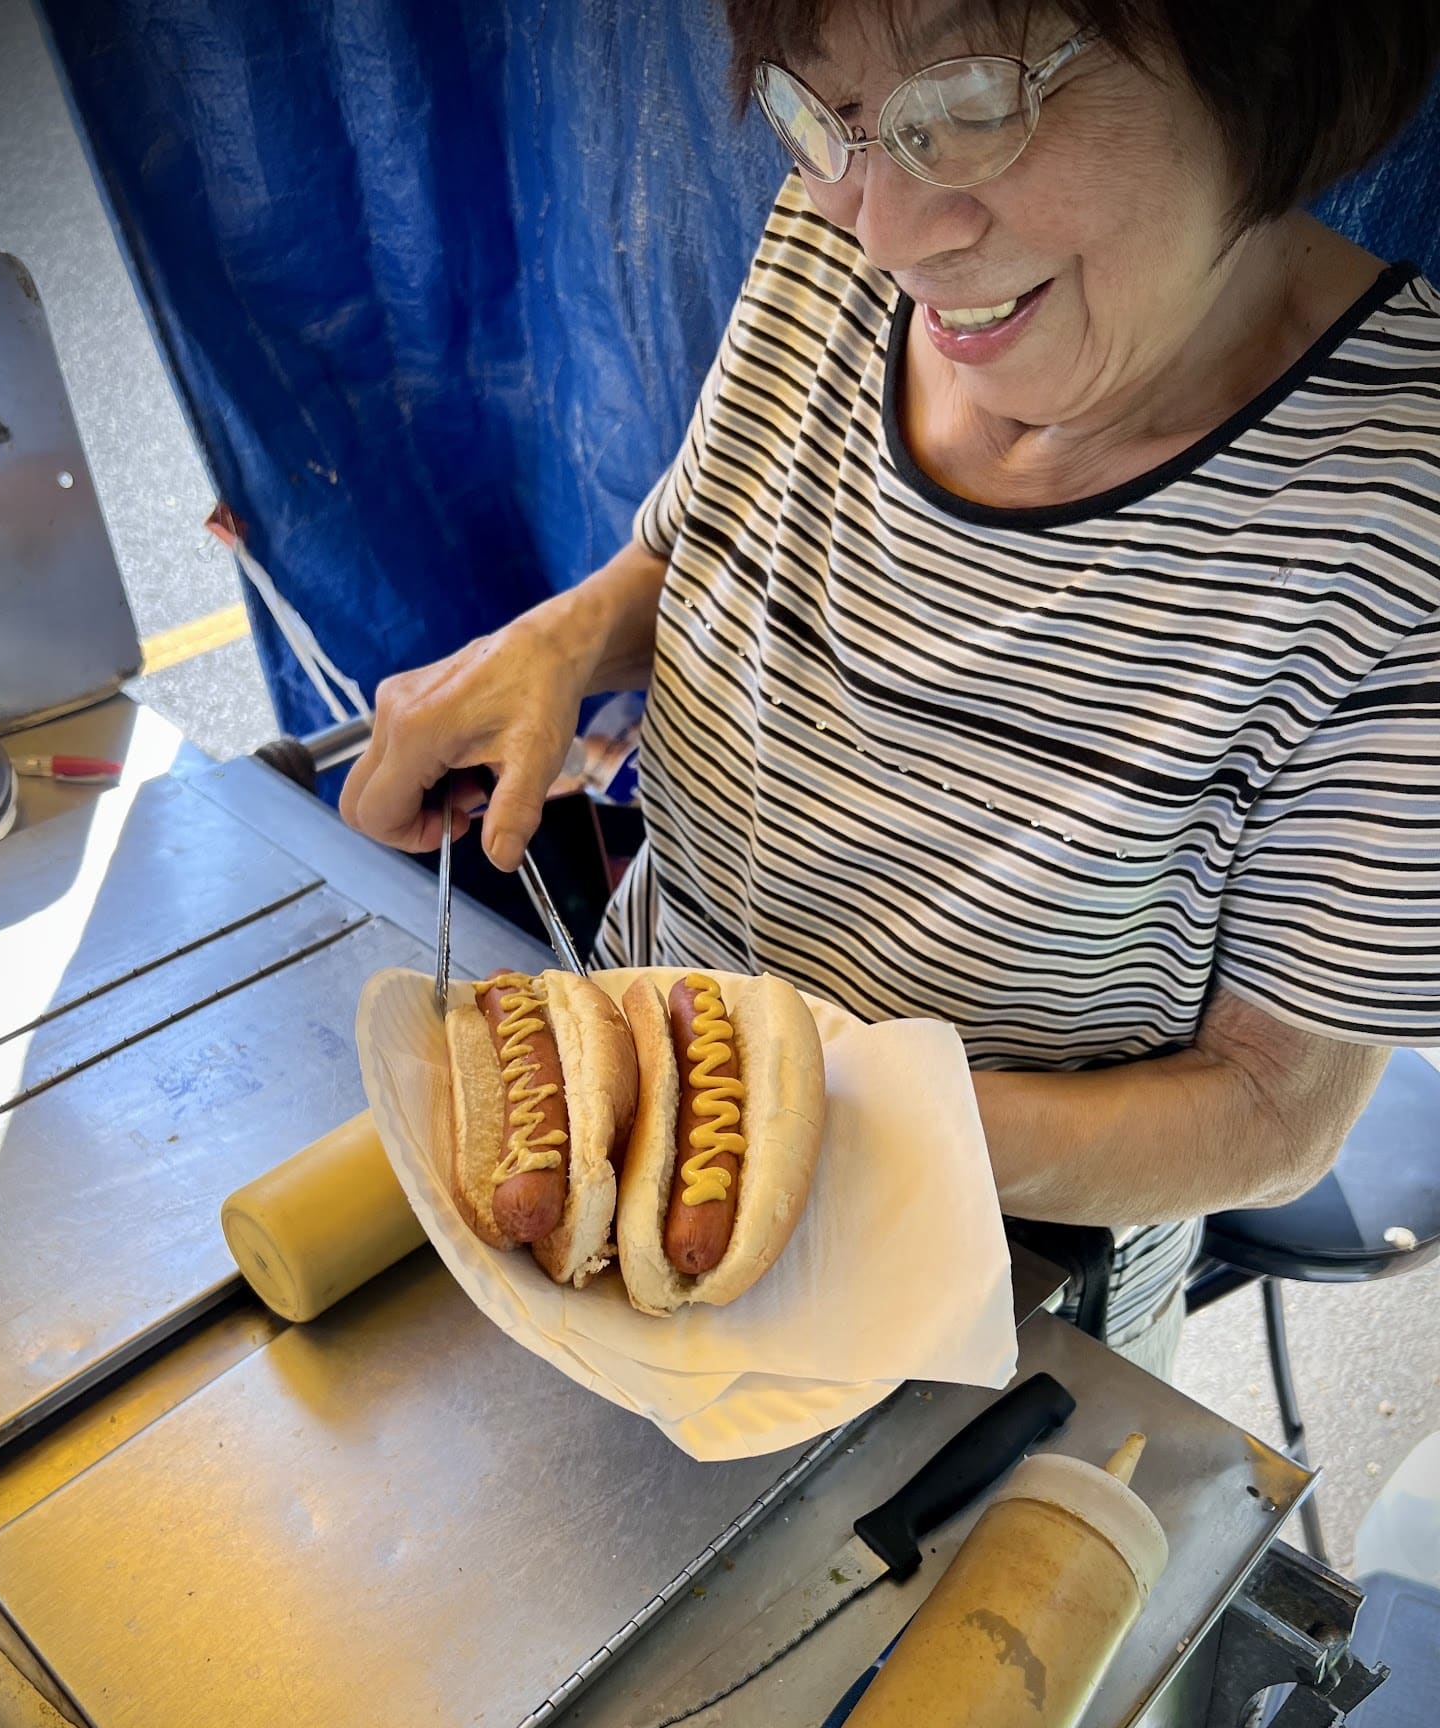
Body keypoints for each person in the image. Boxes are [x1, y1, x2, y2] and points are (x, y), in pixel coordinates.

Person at [342, 0, 1440, 1373]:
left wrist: (789, 1111)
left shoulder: (1406, 531)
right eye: (821, 110)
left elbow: (1277, 1115)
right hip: (628, 1089)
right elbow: (711, 543)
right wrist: (558, 647)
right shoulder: (840, 224)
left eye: (971, 104)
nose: (886, 230)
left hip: (991, 1278)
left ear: (1271, 60)